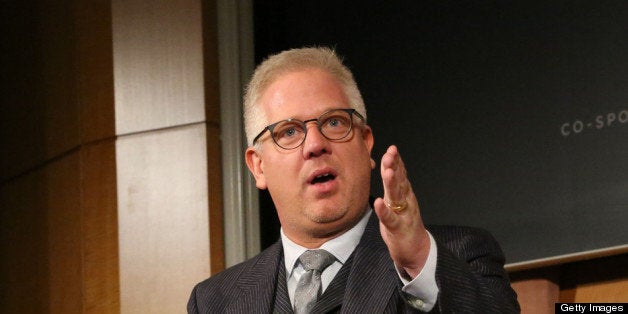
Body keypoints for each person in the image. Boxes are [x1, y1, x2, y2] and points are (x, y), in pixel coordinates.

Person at [188, 47, 520, 313]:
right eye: (289, 132)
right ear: (257, 166)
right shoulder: (214, 302)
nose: (316, 145)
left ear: (365, 142)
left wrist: (419, 260)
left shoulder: (459, 254)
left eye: (333, 122)